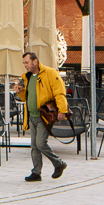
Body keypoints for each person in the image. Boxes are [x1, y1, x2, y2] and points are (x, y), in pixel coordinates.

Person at [16, 51, 68, 182]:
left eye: (27, 62)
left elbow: (59, 92)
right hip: (31, 116)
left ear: (35, 61)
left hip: (44, 116)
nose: (25, 65)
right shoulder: (28, 77)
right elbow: (29, 96)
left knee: (40, 143)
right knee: (34, 146)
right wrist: (21, 93)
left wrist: (62, 110)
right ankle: (36, 172)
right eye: (24, 63)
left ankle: (58, 163)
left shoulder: (50, 73)